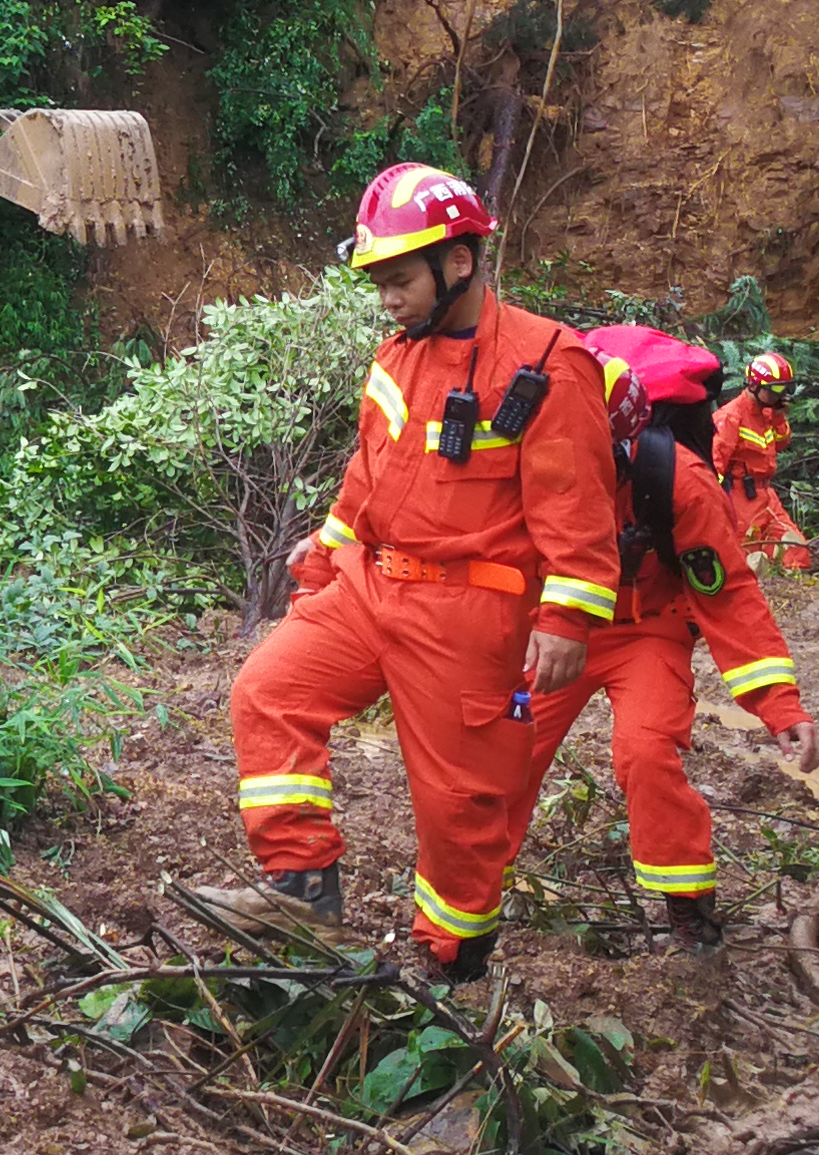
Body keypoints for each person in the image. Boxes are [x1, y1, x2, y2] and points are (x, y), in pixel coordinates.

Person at [205, 164, 619, 991]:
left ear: (457, 263)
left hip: (472, 609)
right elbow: (369, 473)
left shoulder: (548, 362)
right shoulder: (397, 355)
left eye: (398, 280)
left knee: (460, 809)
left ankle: (451, 972)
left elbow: (576, 507)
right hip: (371, 584)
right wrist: (324, 555)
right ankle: (301, 891)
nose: (386, 299)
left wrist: (567, 619)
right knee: (268, 691)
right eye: (380, 283)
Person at [532, 329, 819, 952]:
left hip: (648, 629)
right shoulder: (534, 458)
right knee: (500, 747)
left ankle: (689, 908)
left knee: (644, 753)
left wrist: (778, 703)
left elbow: (729, 596)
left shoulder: (680, 483)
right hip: (559, 627)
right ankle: (463, 904)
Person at [708, 350, 815, 573]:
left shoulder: (767, 413)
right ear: (755, 385)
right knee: (746, 559)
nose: (781, 395)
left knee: (796, 552)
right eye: (775, 390)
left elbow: (782, 442)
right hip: (741, 497)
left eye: (785, 389)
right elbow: (715, 464)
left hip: (767, 496)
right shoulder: (730, 418)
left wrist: (778, 416)